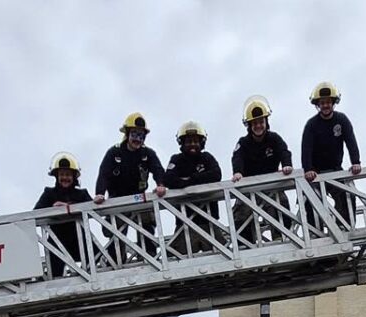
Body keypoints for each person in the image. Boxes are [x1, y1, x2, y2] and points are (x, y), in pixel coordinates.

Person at [95, 113, 171, 258]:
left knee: (146, 223)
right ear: (127, 134)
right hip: (117, 199)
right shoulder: (114, 153)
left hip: (139, 197)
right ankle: (117, 258)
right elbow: (103, 174)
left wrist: (161, 184)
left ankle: (148, 255)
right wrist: (100, 193)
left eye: (142, 136)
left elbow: (158, 170)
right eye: (135, 134)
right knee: (115, 229)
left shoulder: (148, 154)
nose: (138, 139)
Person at [230, 95, 294, 244]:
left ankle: (280, 238)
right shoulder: (243, 143)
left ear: (266, 122)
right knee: (240, 214)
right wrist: (237, 172)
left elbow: (284, 152)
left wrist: (287, 165)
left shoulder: (274, 139)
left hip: (272, 187)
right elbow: (237, 157)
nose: (258, 126)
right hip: (249, 189)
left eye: (261, 122)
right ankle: (247, 245)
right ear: (249, 125)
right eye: (254, 123)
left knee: (282, 204)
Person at [300, 81, 362, 230]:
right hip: (315, 173)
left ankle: (345, 225)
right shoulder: (311, 125)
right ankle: (315, 230)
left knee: (347, 194)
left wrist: (356, 162)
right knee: (309, 199)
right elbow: (306, 149)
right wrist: (308, 169)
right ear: (318, 105)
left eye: (328, 102)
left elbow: (351, 142)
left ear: (333, 103)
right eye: (322, 103)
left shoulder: (342, 120)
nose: (325, 105)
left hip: (335, 169)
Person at [165, 121, 223, 255]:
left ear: (201, 143)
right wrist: (200, 179)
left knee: (224, 258)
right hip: (184, 224)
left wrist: (190, 179)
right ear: (182, 143)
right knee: (175, 262)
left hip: (209, 221)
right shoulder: (176, 159)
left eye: (195, 141)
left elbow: (216, 174)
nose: (192, 145)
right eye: (189, 141)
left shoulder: (207, 157)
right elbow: (168, 179)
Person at [34, 152, 91, 278]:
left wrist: (72, 206)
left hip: (79, 241)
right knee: (54, 278)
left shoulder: (82, 194)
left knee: (96, 256)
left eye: (68, 174)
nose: (65, 178)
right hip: (56, 243)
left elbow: (95, 211)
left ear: (74, 177)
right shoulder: (49, 194)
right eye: (62, 174)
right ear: (56, 176)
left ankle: (83, 276)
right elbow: (36, 213)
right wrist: (52, 208)